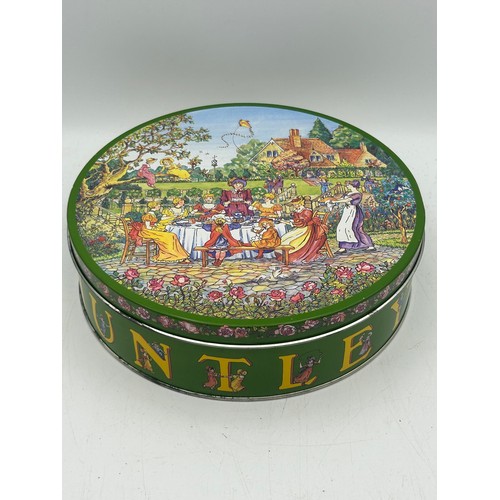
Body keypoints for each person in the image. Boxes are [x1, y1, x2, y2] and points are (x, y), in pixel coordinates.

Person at [330, 180, 376, 253]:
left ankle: (370, 245)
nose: (347, 186)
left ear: (353, 186)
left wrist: (336, 201)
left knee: (356, 229)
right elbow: (343, 199)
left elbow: (347, 200)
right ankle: (343, 247)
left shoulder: (357, 194)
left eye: (349, 185)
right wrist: (333, 200)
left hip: (354, 213)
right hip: (347, 212)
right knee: (342, 227)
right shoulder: (349, 193)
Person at [278, 196, 328, 263]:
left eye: (295, 204)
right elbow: (297, 221)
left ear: (300, 204)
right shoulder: (296, 212)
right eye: (294, 205)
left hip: (308, 229)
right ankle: (285, 254)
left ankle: (295, 255)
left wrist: (294, 223)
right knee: (285, 237)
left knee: (293, 240)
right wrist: (291, 222)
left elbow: (304, 222)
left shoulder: (307, 211)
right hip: (300, 228)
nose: (294, 206)